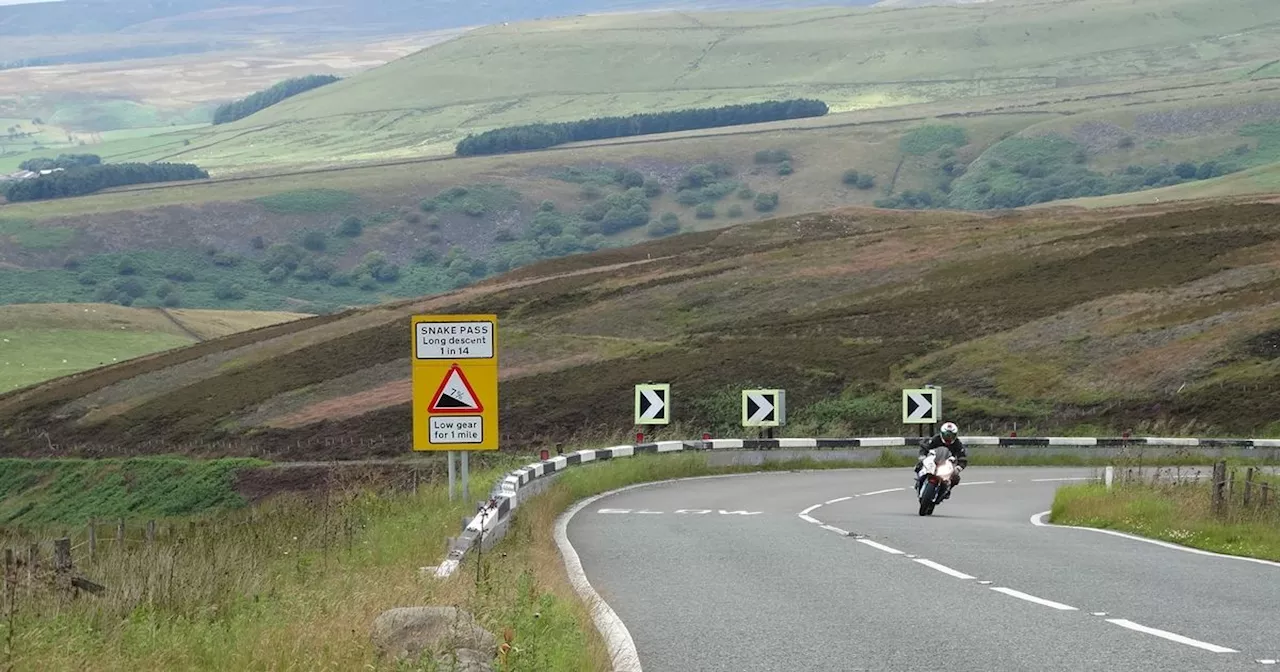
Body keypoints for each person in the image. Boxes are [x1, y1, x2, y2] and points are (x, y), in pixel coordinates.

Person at [914, 422, 968, 499]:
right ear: (942, 433)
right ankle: (919, 481)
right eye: (946, 435)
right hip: (933, 459)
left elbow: (963, 457)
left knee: (955, 478)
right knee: (919, 466)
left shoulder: (958, 444)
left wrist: (958, 468)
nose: (948, 437)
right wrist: (923, 456)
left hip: (948, 463)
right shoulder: (935, 439)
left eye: (951, 435)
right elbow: (925, 447)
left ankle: (947, 490)